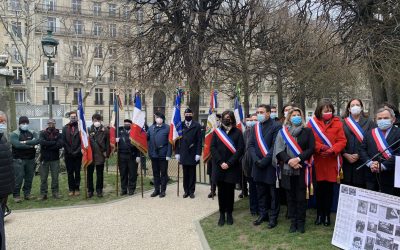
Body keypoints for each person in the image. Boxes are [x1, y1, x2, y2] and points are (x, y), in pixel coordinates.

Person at [274, 107, 315, 233]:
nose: (296, 117)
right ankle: (293, 222)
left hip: (302, 168)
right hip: (288, 169)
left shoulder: (307, 131)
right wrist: (289, 161)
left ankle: (301, 222)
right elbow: (279, 150)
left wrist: (298, 159)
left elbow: (310, 149)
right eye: (293, 115)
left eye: (298, 114)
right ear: (289, 117)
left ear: (301, 117)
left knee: (301, 198)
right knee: (290, 198)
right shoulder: (283, 132)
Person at [308, 101, 347, 226]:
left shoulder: (338, 123)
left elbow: (342, 140)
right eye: (325, 110)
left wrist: (332, 150)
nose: (328, 112)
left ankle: (327, 216)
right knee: (319, 190)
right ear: (319, 111)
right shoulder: (312, 123)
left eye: (330, 110)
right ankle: (319, 215)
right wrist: (320, 148)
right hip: (318, 160)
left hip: (331, 161)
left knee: (329, 190)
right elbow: (309, 140)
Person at [249, 104, 282, 229]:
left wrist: (264, 161)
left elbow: (275, 146)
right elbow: (251, 145)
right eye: (257, 112)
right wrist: (256, 160)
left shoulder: (276, 126)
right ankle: (263, 214)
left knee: (273, 194)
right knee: (261, 192)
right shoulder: (255, 127)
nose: (259, 114)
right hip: (257, 165)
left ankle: (273, 217)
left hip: (270, 165)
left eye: (261, 112)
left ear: (268, 113)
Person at [211, 110, 244, 226]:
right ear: (222, 119)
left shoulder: (238, 132)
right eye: (225, 117)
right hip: (219, 166)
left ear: (233, 119)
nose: (227, 119)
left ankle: (229, 213)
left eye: (229, 118)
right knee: (221, 192)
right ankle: (221, 214)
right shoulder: (217, 132)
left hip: (231, 167)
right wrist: (221, 162)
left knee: (230, 192)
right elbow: (213, 148)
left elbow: (240, 149)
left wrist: (229, 163)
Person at [359, 107, 400, 195]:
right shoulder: (370, 133)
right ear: (376, 120)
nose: (382, 120)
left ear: (393, 119)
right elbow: (362, 149)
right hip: (371, 176)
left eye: (386, 118)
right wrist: (370, 163)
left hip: (391, 177)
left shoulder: (398, 133)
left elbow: (398, 154)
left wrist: (383, 166)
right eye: (380, 118)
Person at [342, 98, 374, 188]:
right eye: (352, 105)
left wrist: (360, 154)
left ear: (361, 108)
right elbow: (338, 140)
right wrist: (345, 154)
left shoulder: (369, 122)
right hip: (345, 163)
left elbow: (372, 141)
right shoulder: (342, 122)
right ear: (348, 109)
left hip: (362, 163)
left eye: (357, 105)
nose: (355, 107)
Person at [10, 116, 39, 202]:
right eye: (23, 123)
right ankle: (16, 195)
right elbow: (17, 145)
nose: (25, 125)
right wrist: (31, 145)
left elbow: (37, 140)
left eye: (26, 123)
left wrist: (24, 142)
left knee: (29, 177)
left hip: (30, 159)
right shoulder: (14, 134)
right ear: (19, 124)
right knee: (19, 178)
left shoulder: (32, 132)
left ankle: (27, 194)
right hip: (18, 160)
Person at [175, 108, 202, 199]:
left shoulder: (197, 125)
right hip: (183, 152)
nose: (188, 116)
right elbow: (177, 140)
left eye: (190, 114)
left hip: (193, 153)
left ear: (192, 114)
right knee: (185, 173)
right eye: (186, 114)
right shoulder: (180, 125)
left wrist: (198, 153)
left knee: (192, 173)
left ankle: (191, 191)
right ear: (184, 115)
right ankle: (186, 191)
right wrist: (177, 153)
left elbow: (199, 141)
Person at [148, 112, 172, 198]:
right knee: (155, 173)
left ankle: (163, 190)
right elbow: (147, 139)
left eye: (160, 117)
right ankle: (156, 190)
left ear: (163, 119)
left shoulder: (167, 128)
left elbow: (170, 142)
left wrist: (169, 154)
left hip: (163, 154)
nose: (159, 119)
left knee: (163, 173)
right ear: (155, 119)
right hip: (154, 155)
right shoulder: (151, 128)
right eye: (157, 117)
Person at [38, 119, 63, 200]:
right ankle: (43, 194)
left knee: (55, 177)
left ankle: (55, 192)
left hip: (55, 159)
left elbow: (60, 144)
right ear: (47, 124)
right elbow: (42, 142)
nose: (51, 125)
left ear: (55, 124)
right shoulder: (42, 133)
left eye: (52, 123)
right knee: (43, 178)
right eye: (49, 123)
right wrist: (53, 143)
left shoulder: (59, 134)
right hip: (44, 159)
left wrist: (47, 145)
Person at [0, 111, 14, 250]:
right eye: (0, 121)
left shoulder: (3, 138)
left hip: (4, 190)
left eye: (4, 121)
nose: (2, 124)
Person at [87, 113, 109, 198]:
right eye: (95, 120)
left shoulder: (105, 130)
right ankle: (90, 190)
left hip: (100, 155)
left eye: (98, 120)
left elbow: (107, 144)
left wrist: (106, 154)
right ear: (92, 121)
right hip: (90, 156)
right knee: (89, 174)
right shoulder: (89, 129)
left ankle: (99, 190)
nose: (96, 122)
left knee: (100, 174)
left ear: (100, 121)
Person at [117, 119, 139, 195]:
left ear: (131, 125)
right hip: (122, 155)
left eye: (128, 123)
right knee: (123, 173)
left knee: (132, 173)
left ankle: (131, 189)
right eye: (125, 123)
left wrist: (138, 156)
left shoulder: (134, 132)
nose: (126, 125)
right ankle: (124, 189)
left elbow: (138, 145)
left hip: (132, 156)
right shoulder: (119, 132)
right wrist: (116, 141)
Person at [242, 114, 259, 215]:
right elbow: (243, 148)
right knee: (252, 188)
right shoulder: (246, 133)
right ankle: (253, 209)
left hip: (259, 163)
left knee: (260, 188)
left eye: (255, 120)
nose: (253, 122)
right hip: (248, 165)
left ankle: (261, 207)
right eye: (251, 120)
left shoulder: (261, 131)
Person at [62, 111, 82, 196]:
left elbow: (82, 141)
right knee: (70, 172)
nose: (73, 118)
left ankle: (77, 188)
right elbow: (64, 141)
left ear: (77, 117)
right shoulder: (65, 128)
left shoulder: (81, 127)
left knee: (77, 172)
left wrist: (77, 150)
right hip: (68, 154)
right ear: (69, 118)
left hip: (78, 154)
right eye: (71, 117)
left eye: (74, 116)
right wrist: (69, 150)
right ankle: (71, 189)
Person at [207, 114, 221, 198]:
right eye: (215, 120)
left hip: (220, 156)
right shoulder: (211, 129)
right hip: (211, 155)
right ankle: (212, 190)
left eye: (218, 120)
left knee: (220, 173)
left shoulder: (223, 129)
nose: (216, 122)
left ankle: (221, 190)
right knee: (211, 173)